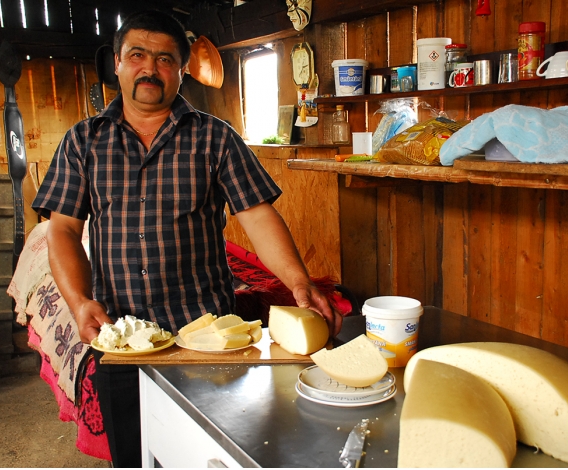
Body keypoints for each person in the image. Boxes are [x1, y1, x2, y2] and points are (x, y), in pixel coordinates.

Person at [32, 9, 341, 466]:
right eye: (137, 55)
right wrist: (79, 303)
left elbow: (257, 217)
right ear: (117, 63)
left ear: (181, 70)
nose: (149, 69)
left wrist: (298, 282)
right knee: (133, 454)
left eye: (165, 59)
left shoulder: (215, 138)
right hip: (120, 339)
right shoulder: (84, 141)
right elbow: (62, 229)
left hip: (208, 338)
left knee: (206, 454)